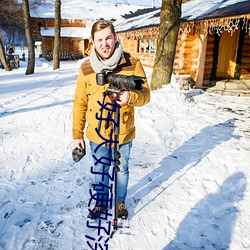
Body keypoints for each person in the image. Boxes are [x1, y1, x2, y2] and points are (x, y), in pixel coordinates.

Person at [72, 20, 150, 219]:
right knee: (99, 169)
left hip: (123, 131)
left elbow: (146, 95)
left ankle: (120, 201)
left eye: (108, 38)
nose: (104, 43)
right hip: (97, 133)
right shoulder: (86, 68)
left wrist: (130, 97)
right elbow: (80, 102)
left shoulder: (132, 63)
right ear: (93, 42)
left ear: (115, 38)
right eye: (99, 40)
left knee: (121, 168)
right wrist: (77, 134)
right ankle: (100, 202)